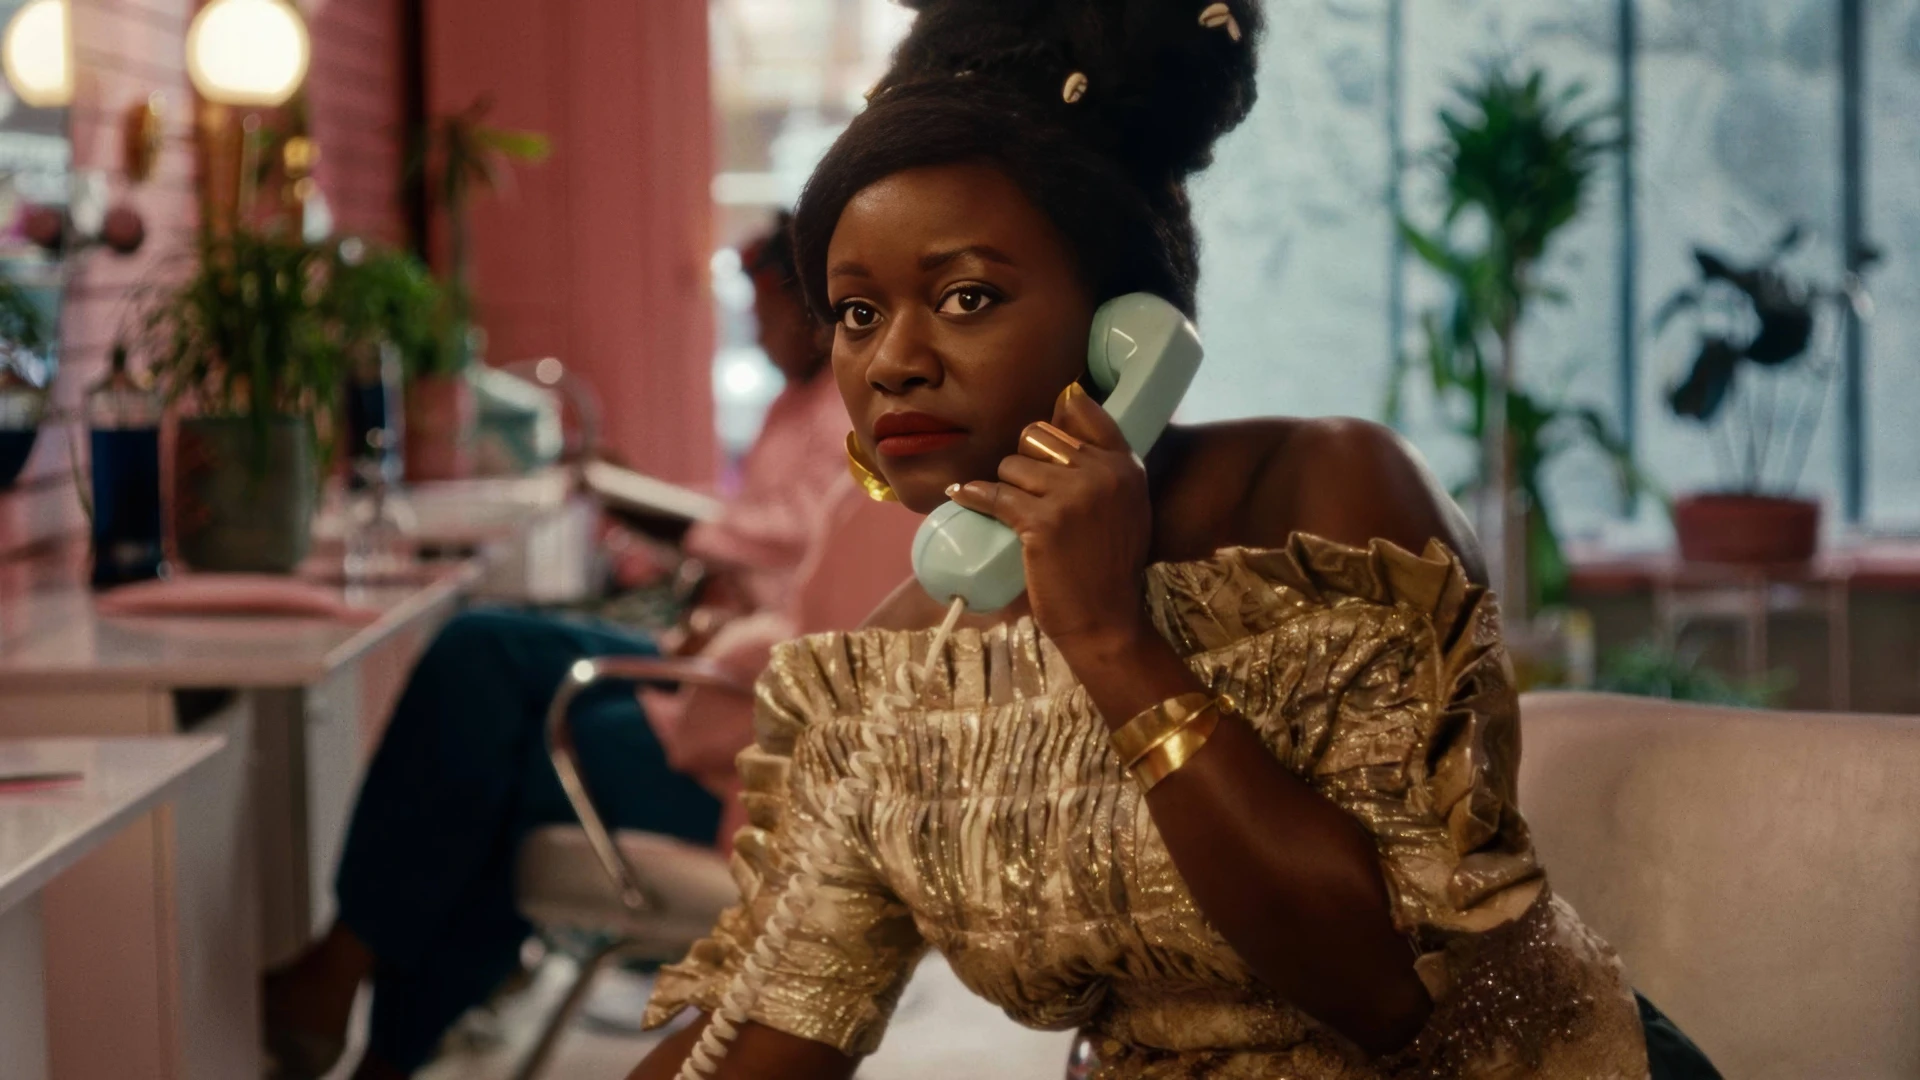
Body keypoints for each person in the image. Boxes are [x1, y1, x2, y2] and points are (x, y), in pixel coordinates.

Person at [629, 2, 1721, 1078]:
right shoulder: (897, 672)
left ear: (1124, 332)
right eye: (857, 312)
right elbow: (775, 1031)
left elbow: (1388, 991)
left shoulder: (1329, 502)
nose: (892, 361)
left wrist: (1110, 640)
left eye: (967, 297)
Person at [261, 216, 859, 1080]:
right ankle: (352, 1004)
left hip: (754, 746)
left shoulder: (867, 425)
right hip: (723, 678)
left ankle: (346, 987)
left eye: (768, 312)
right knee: (481, 651)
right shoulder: (796, 404)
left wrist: (717, 619)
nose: (760, 335)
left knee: (491, 769)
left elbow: (792, 563)